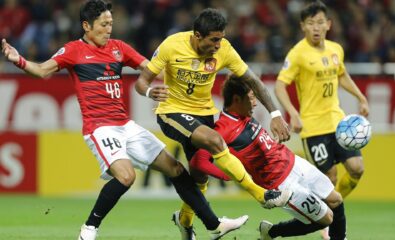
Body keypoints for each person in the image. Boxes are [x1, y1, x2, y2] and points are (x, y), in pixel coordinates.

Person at [0, 1, 278, 240]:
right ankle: (89, 229)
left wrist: (169, 75)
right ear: (86, 26)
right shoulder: (73, 50)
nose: (109, 29)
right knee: (127, 175)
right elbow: (42, 71)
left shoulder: (119, 48)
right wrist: (19, 60)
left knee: (178, 170)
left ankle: (213, 225)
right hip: (99, 126)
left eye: (111, 23)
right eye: (103, 24)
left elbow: (152, 67)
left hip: (125, 124)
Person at [135, 8, 292, 240]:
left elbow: (253, 81)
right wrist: (149, 91)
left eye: (221, 38)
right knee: (215, 140)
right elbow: (141, 81)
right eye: (214, 40)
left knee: (199, 176)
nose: (219, 45)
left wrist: (276, 113)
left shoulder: (225, 49)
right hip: (172, 111)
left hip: (204, 114)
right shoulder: (172, 45)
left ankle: (185, 221)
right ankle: (261, 195)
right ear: (197, 35)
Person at [190, 76, 347, 240]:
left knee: (336, 200)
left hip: (294, 162)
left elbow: (254, 143)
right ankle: (272, 232)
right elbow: (198, 161)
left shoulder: (244, 114)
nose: (255, 103)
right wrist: (228, 175)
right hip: (281, 184)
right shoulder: (223, 130)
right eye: (251, 98)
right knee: (326, 219)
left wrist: (273, 141)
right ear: (237, 99)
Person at [274, 2, 369, 238]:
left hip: (338, 123)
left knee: (357, 169)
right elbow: (279, 85)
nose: (315, 28)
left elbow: (342, 74)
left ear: (328, 24)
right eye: (310, 23)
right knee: (330, 178)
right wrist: (292, 113)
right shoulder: (297, 53)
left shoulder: (336, 48)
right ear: (302, 26)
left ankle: (329, 210)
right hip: (313, 127)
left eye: (319, 22)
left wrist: (360, 96)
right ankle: (326, 219)